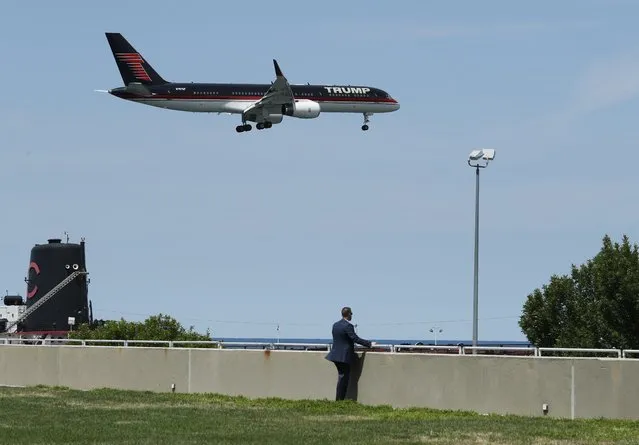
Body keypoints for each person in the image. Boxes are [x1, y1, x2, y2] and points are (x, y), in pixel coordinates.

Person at [325, 306, 375, 401]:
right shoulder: (348, 326)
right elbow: (355, 338)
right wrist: (369, 344)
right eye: (351, 313)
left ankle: (339, 400)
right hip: (344, 356)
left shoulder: (335, 325)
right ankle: (339, 400)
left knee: (342, 377)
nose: (352, 315)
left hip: (335, 355)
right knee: (343, 378)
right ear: (348, 314)